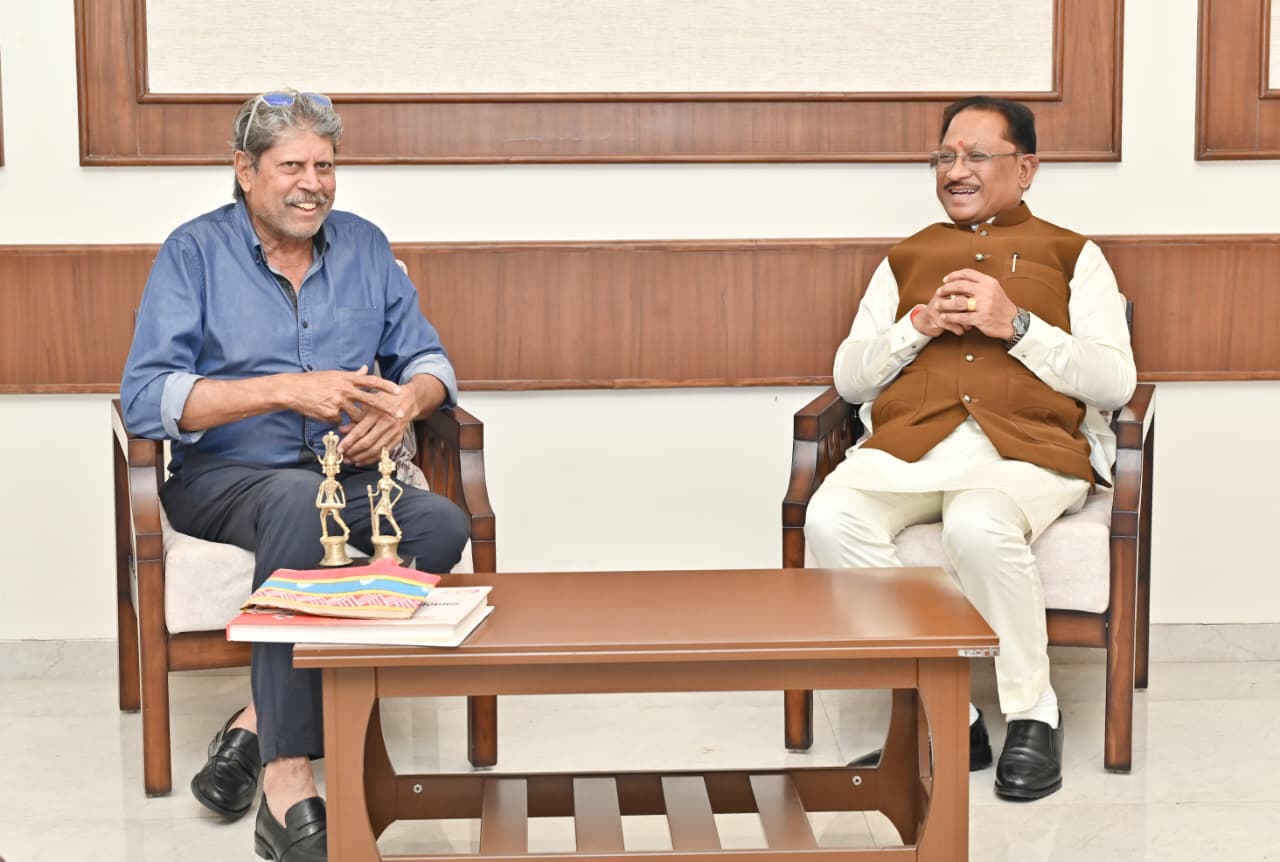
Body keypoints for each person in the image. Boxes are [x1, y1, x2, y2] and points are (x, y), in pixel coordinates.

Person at [121, 89, 470, 861]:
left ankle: (255, 720)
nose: (313, 184)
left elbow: (429, 360)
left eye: (325, 166)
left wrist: (406, 403)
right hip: (224, 477)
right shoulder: (193, 253)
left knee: (441, 524)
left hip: (343, 477)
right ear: (245, 170)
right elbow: (146, 396)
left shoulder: (366, 247)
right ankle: (286, 776)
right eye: (291, 167)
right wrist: (282, 389)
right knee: (296, 504)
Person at [804, 96, 1136, 801]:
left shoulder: (1075, 255)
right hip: (910, 447)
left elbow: (1115, 381)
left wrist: (1017, 325)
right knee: (829, 518)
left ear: (1027, 168)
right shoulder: (904, 257)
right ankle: (949, 715)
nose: (956, 170)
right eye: (945, 157)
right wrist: (916, 326)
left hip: (1027, 451)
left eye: (977, 156)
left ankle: (1034, 714)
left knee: (977, 522)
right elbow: (850, 378)